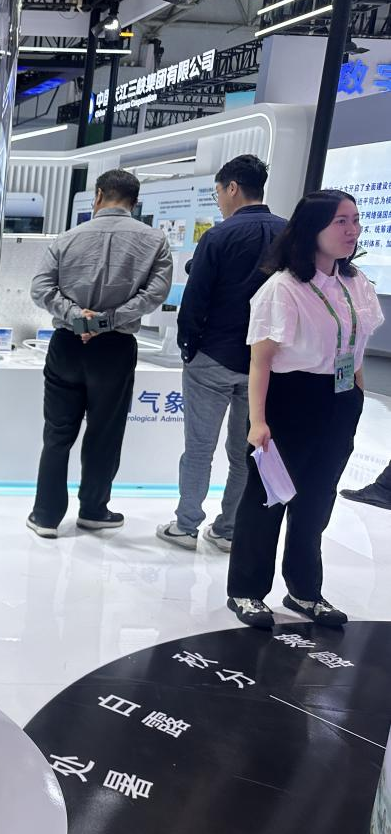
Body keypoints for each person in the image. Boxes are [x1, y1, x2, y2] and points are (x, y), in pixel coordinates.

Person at [225, 190, 384, 629]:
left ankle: (305, 590)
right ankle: (246, 590)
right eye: (340, 222)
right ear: (312, 228)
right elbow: (261, 361)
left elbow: (354, 348)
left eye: (355, 220)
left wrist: (355, 395)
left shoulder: (356, 283)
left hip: (339, 400)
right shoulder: (283, 288)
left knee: (317, 500)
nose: (352, 230)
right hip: (289, 400)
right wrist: (258, 421)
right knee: (268, 498)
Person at [27, 169, 173, 538]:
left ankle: (45, 516)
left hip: (68, 343)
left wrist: (78, 318)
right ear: (134, 202)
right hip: (115, 348)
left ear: (97, 196)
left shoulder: (66, 238)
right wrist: (108, 321)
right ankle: (93, 510)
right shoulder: (155, 241)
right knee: (105, 432)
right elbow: (154, 295)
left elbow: (41, 289)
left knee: (57, 432)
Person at [158, 156, 287, 553]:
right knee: (245, 451)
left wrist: (188, 347)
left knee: (199, 448)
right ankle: (229, 529)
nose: (218, 199)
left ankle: (186, 526)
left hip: (212, 358)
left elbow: (195, 301)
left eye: (218, 191)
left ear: (232, 188)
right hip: (263, 364)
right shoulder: (288, 234)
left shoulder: (218, 236)